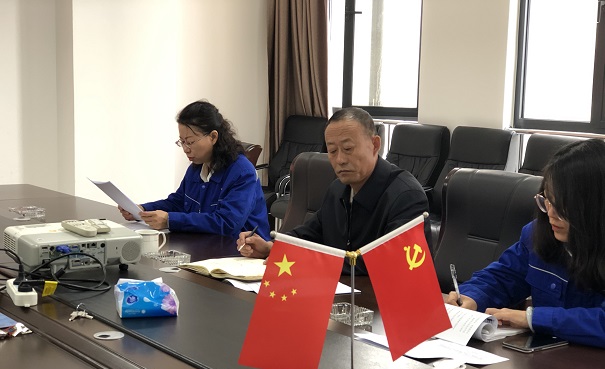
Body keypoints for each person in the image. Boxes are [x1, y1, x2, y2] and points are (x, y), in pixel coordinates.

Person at [445, 138, 605, 348]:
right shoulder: (537, 234)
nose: (551, 214)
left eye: (564, 206)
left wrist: (532, 318)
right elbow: (503, 277)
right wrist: (472, 296)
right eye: (547, 200)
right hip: (546, 358)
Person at [237, 107, 430, 274]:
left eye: (348, 149)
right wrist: (272, 248)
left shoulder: (406, 196)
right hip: (340, 295)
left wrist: (305, 260)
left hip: (383, 300)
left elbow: (389, 263)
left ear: (375, 145)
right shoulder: (338, 189)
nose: (340, 160)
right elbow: (310, 233)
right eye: (332, 151)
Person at [119, 100, 271, 240]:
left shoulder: (242, 172)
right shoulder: (197, 166)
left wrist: (170, 220)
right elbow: (179, 202)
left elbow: (227, 223)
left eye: (190, 142)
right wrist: (142, 210)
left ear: (213, 137)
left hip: (241, 251)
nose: (186, 149)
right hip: (206, 243)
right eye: (182, 142)